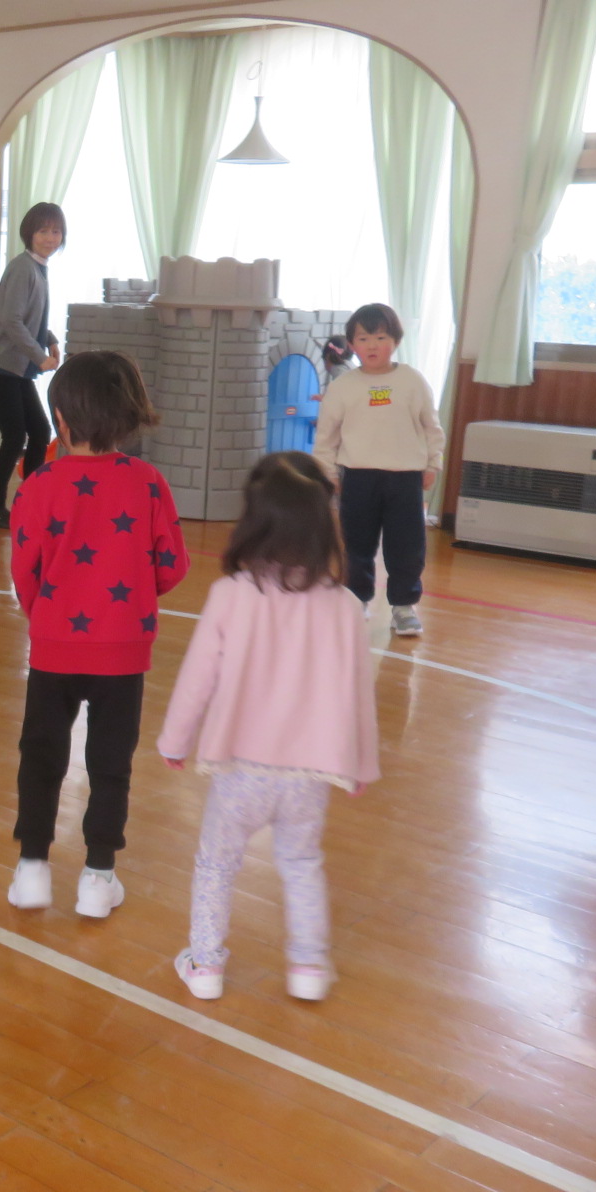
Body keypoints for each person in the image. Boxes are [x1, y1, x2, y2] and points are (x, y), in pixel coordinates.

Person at [157, 452, 380, 1004]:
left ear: (252, 522)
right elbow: (359, 693)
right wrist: (361, 765)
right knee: (301, 863)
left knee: (217, 863)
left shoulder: (231, 595)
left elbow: (197, 678)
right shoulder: (346, 607)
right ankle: (308, 967)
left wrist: (175, 741)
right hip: (308, 775)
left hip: (240, 771)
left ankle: (205, 964)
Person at [5, 350, 188, 919]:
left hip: (54, 648)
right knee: (111, 764)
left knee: (41, 755)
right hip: (123, 652)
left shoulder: (38, 484)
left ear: (59, 417)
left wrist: (46, 617)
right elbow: (172, 566)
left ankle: (32, 869)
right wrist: (132, 599)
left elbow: (23, 570)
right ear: (131, 415)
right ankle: (98, 877)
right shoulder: (148, 483)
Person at [312, 303, 445, 639]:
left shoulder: (412, 380)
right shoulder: (343, 387)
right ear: (351, 345)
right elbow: (326, 436)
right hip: (358, 477)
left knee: (407, 545)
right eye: (363, 338)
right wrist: (328, 474)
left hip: (406, 477)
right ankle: (356, 599)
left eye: (381, 337)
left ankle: (403, 606)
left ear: (396, 341)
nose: (372, 345)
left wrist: (433, 463)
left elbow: (431, 426)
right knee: (357, 544)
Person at [0, 203, 65, 529]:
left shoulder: (38, 267)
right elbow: (11, 321)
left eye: (56, 231)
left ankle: (30, 502)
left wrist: (49, 338)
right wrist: (40, 357)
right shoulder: (23, 268)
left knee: (39, 431)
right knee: (14, 437)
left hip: (16, 369)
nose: (50, 238)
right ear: (29, 233)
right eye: (43, 231)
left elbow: (30, 317)